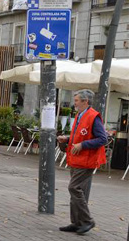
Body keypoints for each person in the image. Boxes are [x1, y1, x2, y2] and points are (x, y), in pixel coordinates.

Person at [57, 89, 106, 235]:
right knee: (77, 191)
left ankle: (87, 220)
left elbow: (102, 139)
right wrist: (67, 138)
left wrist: (82, 145)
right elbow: (80, 136)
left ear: (85, 101)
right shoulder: (80, 115)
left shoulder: (93, 116)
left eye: (77, 100)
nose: (75, 103)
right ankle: (76, 222)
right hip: (78, 159)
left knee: (74, 188)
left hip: (87, 160)